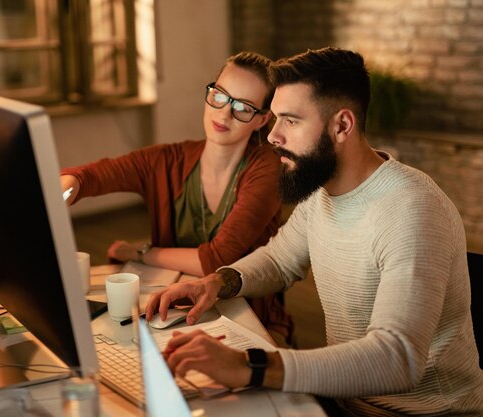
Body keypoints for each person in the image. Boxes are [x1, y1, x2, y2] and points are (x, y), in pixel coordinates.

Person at [145, 47, 483, 416]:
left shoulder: (411, 210)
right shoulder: (322, 190)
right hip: (345, 401)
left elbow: (397, 357)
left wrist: (251, 367)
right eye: (274, 119)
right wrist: (215, 282)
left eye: (290, 120)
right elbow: (279, 259)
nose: (272, 136)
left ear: (341, 126)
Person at [61, 52, 293, 345]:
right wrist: (71, 185)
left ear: (262, 119)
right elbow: (93, 176)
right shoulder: (169, 159)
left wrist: (139, 252)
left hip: (245, 316)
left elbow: (216, 260)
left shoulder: (268, 170)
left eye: (242, 107)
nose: (223, 114)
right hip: (169, 309)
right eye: (220, 96)